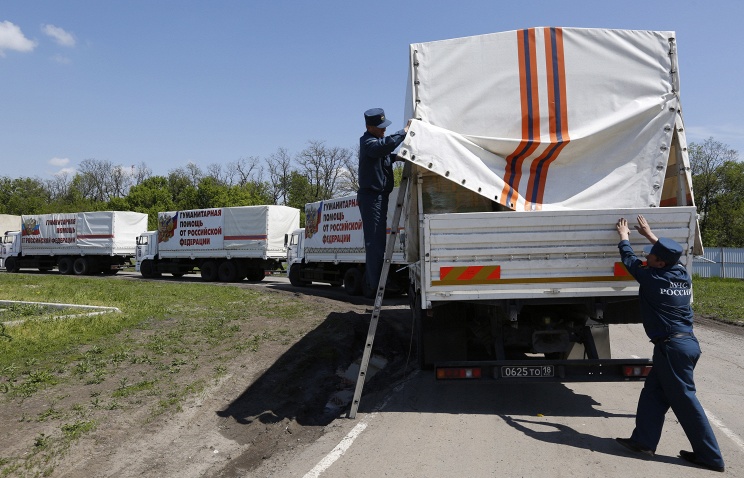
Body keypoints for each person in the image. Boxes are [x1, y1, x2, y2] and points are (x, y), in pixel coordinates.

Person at [614, 215, 725, 473]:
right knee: (653, 392)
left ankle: (711, 457)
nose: (648, 257)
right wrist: (650, 234)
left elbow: (630, 260)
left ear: (659, 263)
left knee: (685, 401)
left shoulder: (653, 279)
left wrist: (624, 237)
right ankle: (643, 441)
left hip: (672, 348)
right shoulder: (680, 274)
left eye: (652, 255)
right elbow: (669, 257)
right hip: (683, 345)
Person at [357, 108, 411, 298]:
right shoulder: (368, 142)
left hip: (379, 196)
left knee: (379, 241)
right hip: (372, 197)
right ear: (368, 127)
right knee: (375, 243)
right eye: (379, 128)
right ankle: (376, 284)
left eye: (384, 127)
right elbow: (383, 148)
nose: (383, 131)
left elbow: (385, 155)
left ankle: (378, 280)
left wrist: (398, 157)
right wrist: (404, 132)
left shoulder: (374, 143)